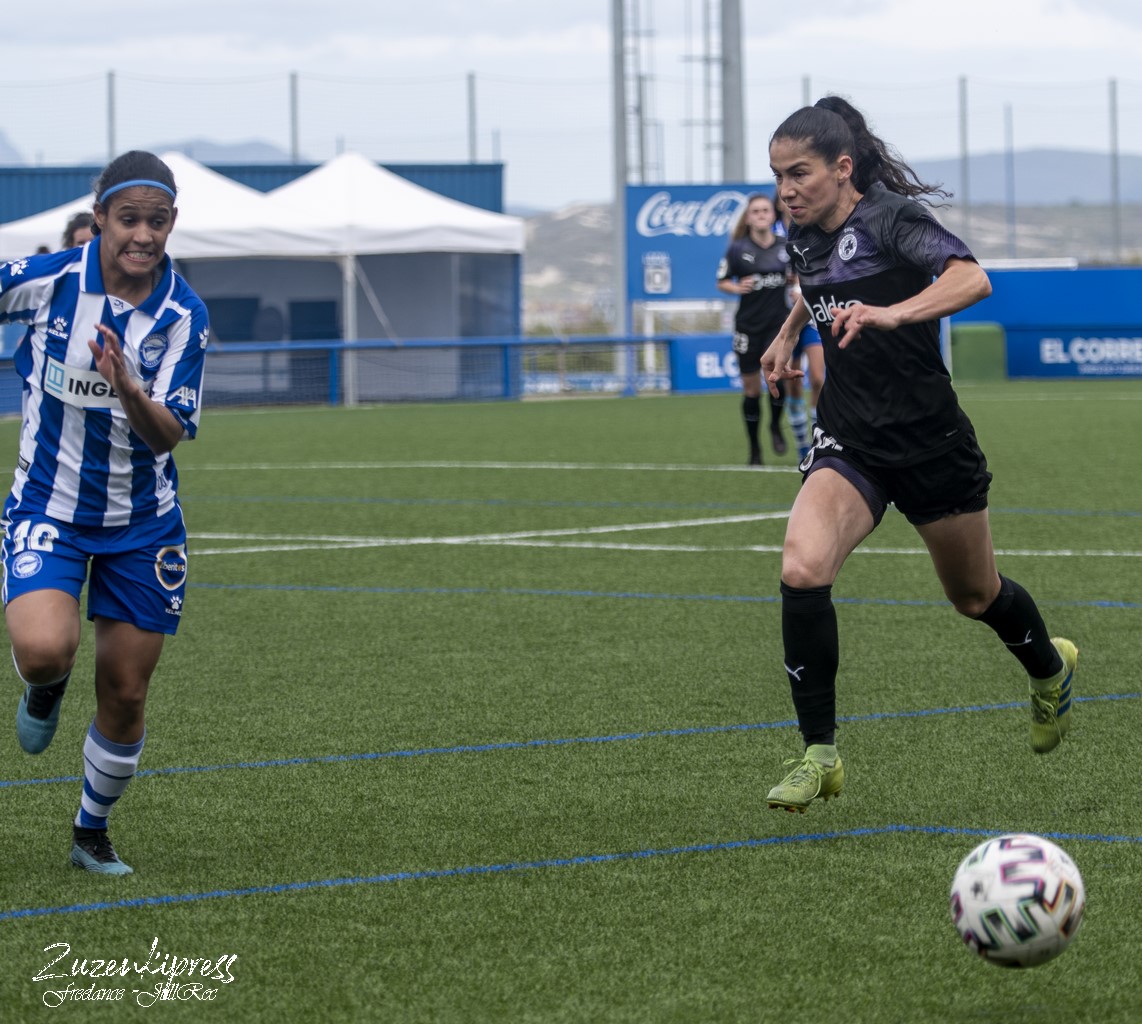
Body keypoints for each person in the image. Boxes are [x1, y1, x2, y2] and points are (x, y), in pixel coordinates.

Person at [760, 96, 1077, 812]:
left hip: (929, 437)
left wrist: (893, 313)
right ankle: (820, 752)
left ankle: (1050, 670)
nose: (786, 190)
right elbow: (816, 282)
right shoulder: (802, 232)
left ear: (843, 169)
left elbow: (972, 277)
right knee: (801, 566)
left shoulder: (892, 219)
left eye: (799, 173)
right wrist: (788, 333)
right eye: (778, 175)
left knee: (975, 597)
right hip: (851, 436)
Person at [1, 151, 209, 873]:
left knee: (125, 688)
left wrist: (127, 385)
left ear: (172, 224)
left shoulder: (183, 315)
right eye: (129, 220)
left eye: (157, 222)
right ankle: (46, 686)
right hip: (48, 508)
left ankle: (91, 831)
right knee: (42, 649)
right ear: (99, 221)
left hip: (142, 523)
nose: (143, 235)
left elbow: (168, 432)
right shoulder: (49, 281)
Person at [716, 193, 789, 464]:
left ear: (773, 215)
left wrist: (794, 288)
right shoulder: (737, 249)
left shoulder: (785, 246)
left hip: (777, 325)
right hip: (747, 327)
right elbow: (721, 280)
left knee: (776, 378)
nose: (760, 215)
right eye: (755, 211)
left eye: (765, 210)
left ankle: (775, 427)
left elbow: (796, 277)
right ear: (748, 218)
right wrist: (737, 286)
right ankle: (755, 447)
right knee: (751, 390)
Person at [773, 193, 826, 462]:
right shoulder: (773, 237)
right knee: (793, 383)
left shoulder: (811, 231)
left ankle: (817, 437)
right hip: (784, 320)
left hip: (812, 318)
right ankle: (802, 444)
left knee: (818, 377)